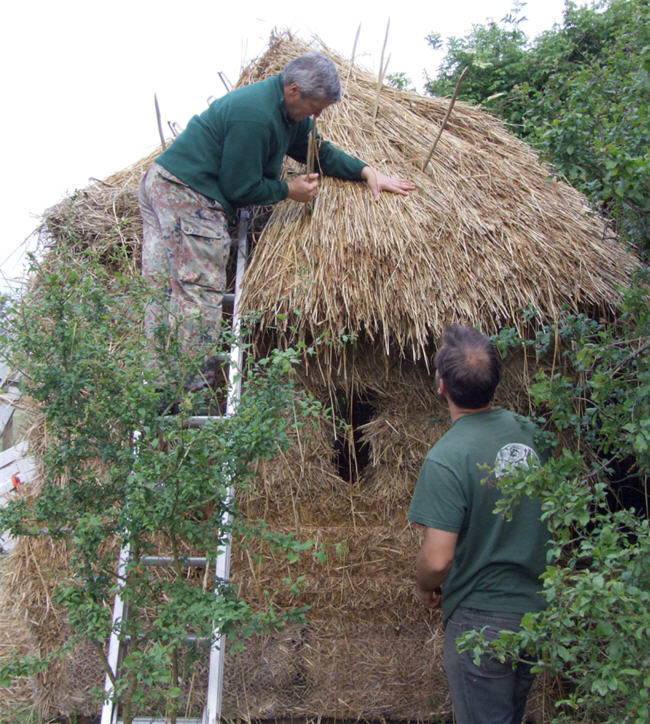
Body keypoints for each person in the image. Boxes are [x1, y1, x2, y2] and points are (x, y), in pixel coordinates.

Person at [139, 50, 415, 388]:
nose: (318, 113)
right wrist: (288, 190)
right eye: (317, 106)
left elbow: (318, 151)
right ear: (294, 90)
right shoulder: (255, 115)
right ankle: (187, 391)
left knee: (161, 289)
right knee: (198, 290)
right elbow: (238, 186)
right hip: (187, 193)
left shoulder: (290, 115)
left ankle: (154, 385)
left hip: (162, 180)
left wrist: (365, 170)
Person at [407, 324, 550, 724]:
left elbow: (437, 560)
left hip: (480, 619)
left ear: (441, 386)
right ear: (496, 381)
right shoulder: (533, 435)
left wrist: (425, 588)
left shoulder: (447, 457)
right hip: (534, 614)